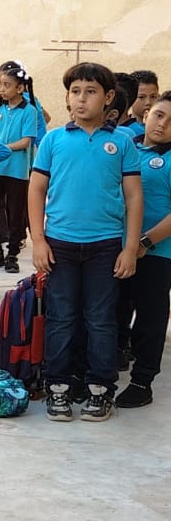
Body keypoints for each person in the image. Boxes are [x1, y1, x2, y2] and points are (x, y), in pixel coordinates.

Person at [31, 62, 142, 423]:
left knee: (101, 319)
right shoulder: (53, 140)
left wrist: (129, 248)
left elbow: (133, 197)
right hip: (60, 245)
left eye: (90, 91)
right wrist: (38, 241)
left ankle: (100, 388)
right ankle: (58, 385)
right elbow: (36, 189)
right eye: (75, 91)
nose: (81, 99)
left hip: (105, 246)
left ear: (108, 97)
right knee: (61, 317)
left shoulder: (122, 143)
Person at [114, 92, 171, 408]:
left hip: (157, 253)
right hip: (117, 246)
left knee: (150, 317)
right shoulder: (126, 146)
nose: (163, 124)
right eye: (159, 115)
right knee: (114, 309)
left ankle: (142, 381)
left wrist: (145, 242)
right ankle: (111, 362)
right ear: (147, 114)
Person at [0, 62, 41, 274]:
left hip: (16, 169)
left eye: (7, 85)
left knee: (15, 213)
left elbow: (26, 141)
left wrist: (2, 148)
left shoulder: (29, 111)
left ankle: (13, 253)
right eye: (0, 84)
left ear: (20, 88)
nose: (1, 89)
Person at [127, 71, 159, 136]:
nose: (148, 102)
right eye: (141, 97)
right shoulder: (124, 130)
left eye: (153, 97)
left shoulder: (163, 129)